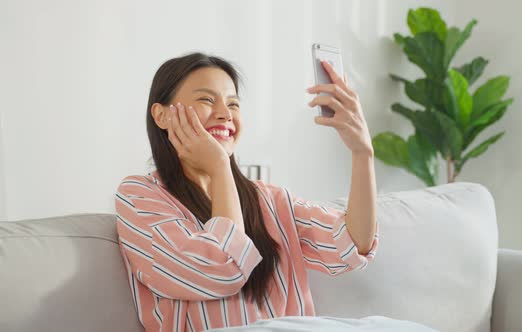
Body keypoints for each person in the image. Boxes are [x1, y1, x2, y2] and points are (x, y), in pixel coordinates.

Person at [114, 52, 379, 331]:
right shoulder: (139, 197)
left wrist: (362, 152)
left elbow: (352, 245)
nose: (225, 114)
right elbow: (222, 268)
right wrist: (219, 166)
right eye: (206, 100)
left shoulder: (270, 199)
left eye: (233, 104)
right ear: (162, 115)